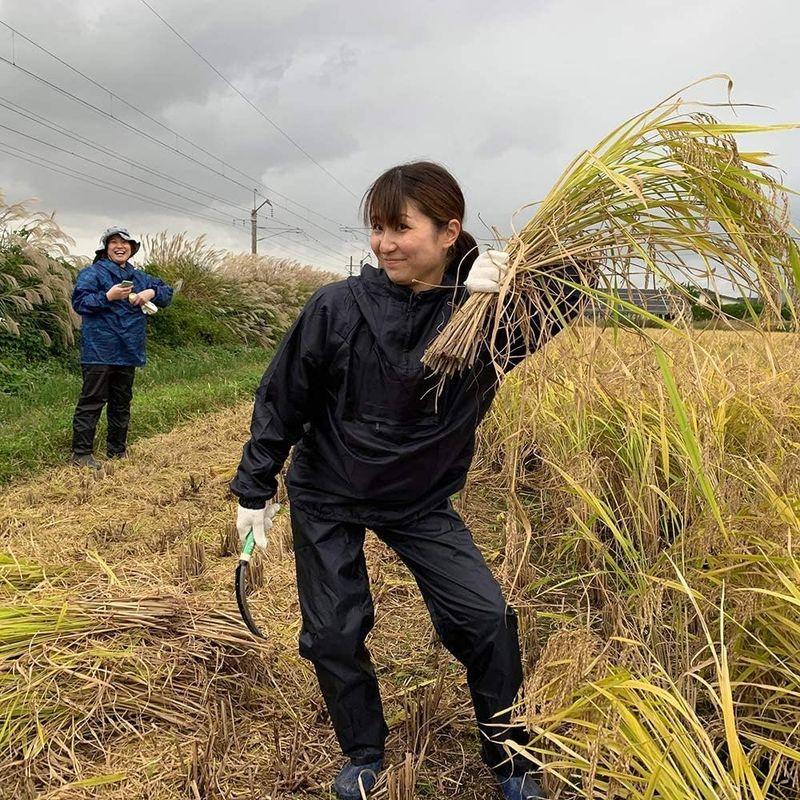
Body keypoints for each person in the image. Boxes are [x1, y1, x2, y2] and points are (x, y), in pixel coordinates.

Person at [230, 162, 587, 800]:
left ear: (450, 232)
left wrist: (516, 280)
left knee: (486, 619)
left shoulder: (485, 317)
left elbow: (576, 284)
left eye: (401, 227)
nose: (384, 242)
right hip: (329, 491)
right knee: (334, 630)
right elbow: (283, 398)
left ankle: (511, 760)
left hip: (420, 498)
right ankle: (364, 753)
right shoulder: (337, 307)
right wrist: (255, 487)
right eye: (376, 227)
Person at [70, 226, 173, 469]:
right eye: (114, 242)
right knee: (92, 401)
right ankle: (81, 454)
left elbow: (167, 293)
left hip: (128, 350)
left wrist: (151, 292)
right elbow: (79, 303)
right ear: (106, 248)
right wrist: (108, 296)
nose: (120, 246)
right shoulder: (92, 274)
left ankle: (117, 450)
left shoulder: (139, 277)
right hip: (99, 350)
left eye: (125, 243)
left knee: (121, 402)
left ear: (132, 249)